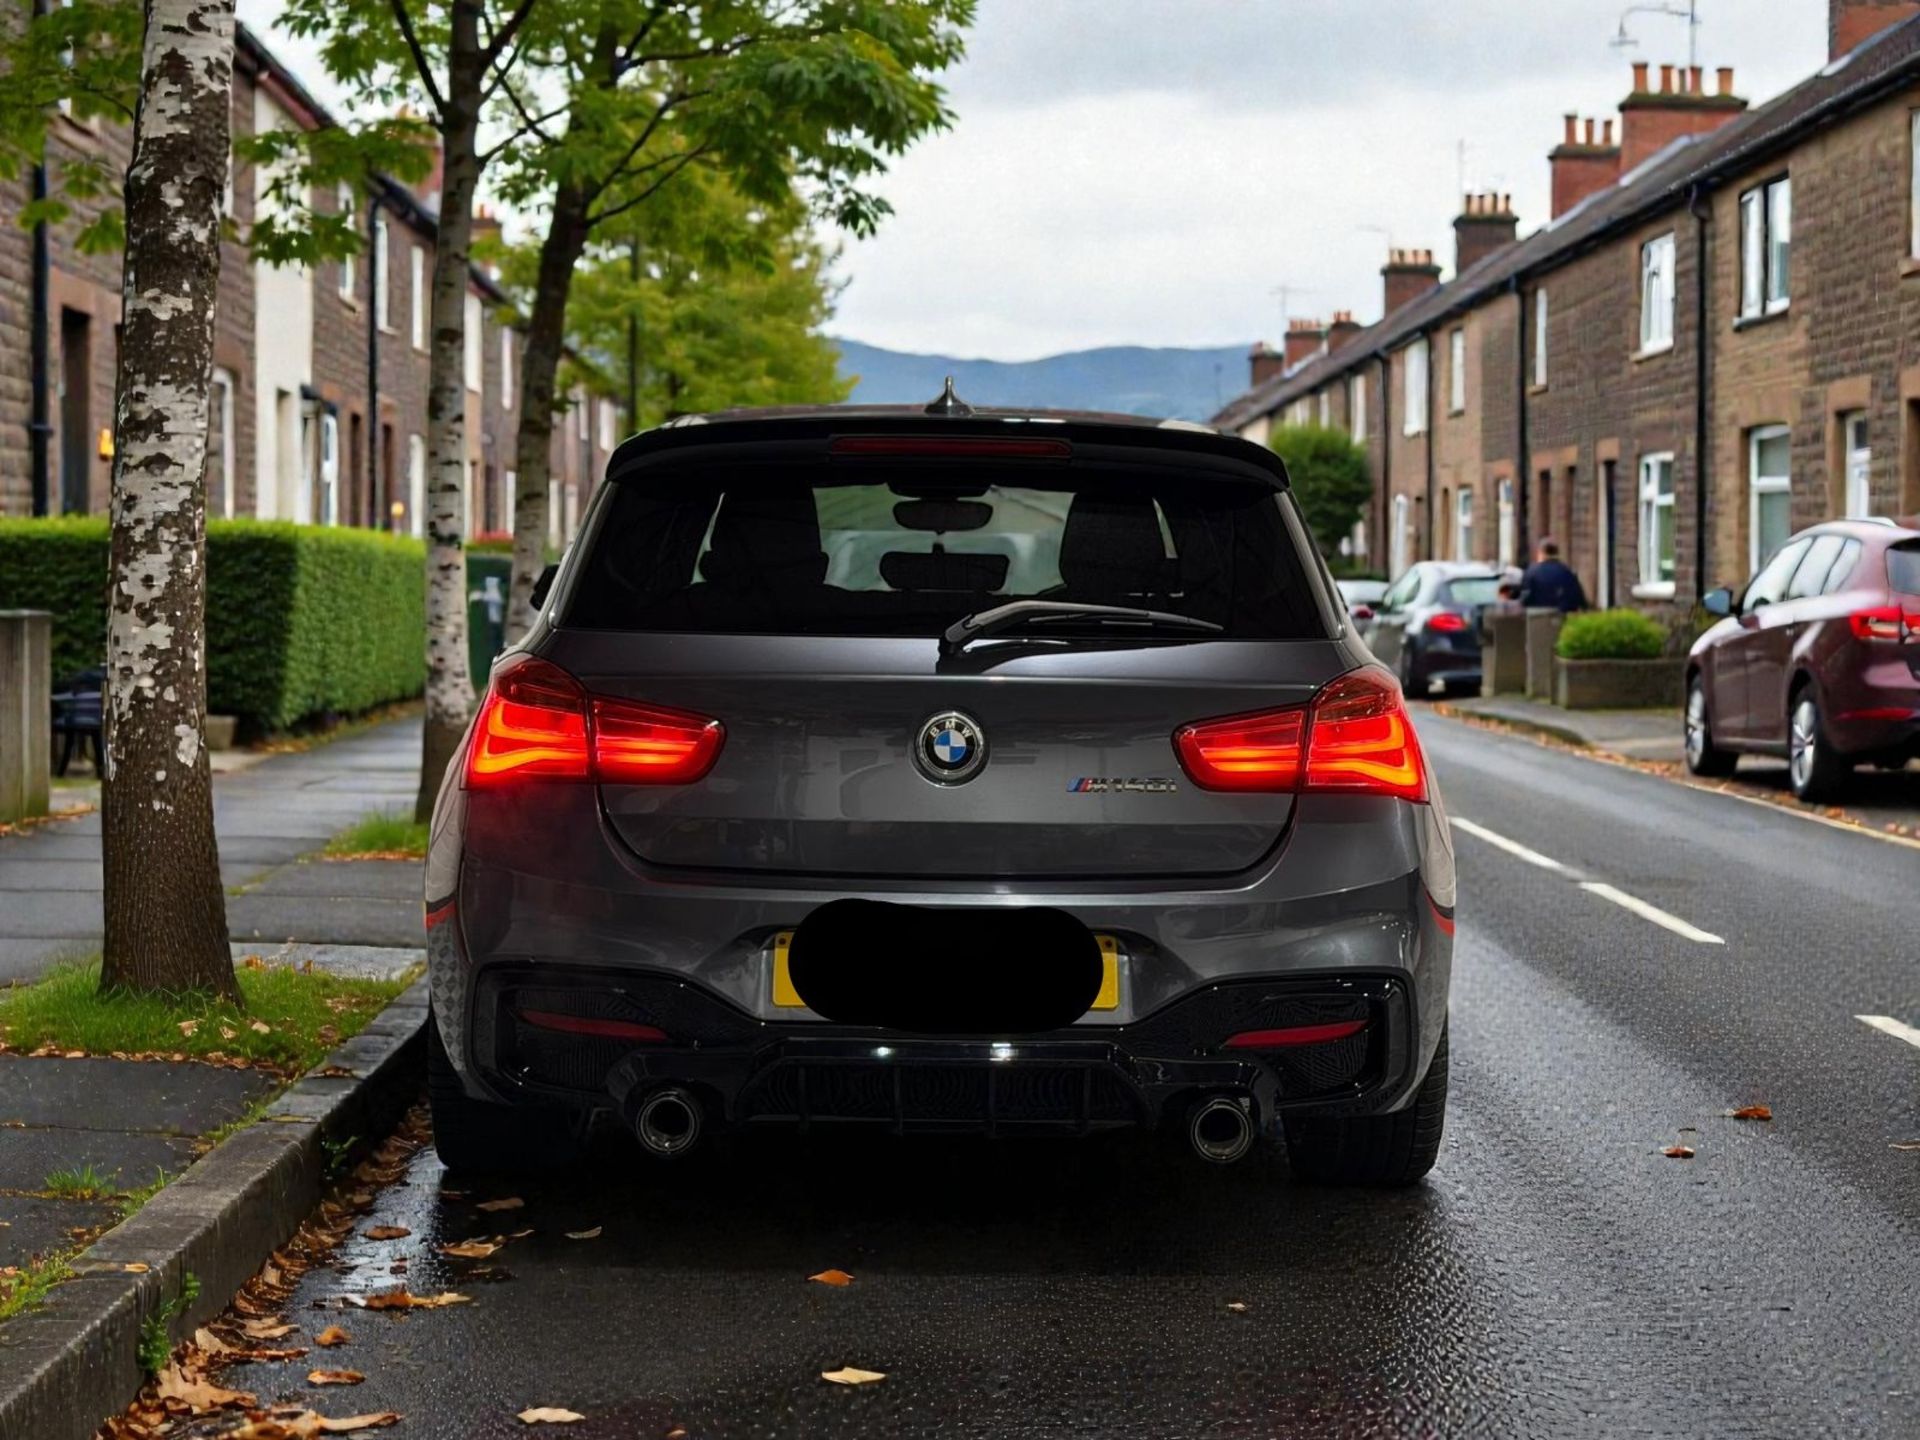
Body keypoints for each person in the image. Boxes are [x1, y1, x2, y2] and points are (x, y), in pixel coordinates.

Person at [1518, 538, 1588, 613]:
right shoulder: (1568, 572)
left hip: (1537, 617)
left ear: (1541, 553)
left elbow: (1525, 598)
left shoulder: (1531, 572)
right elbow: (1580, 599)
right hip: (1562, 617)